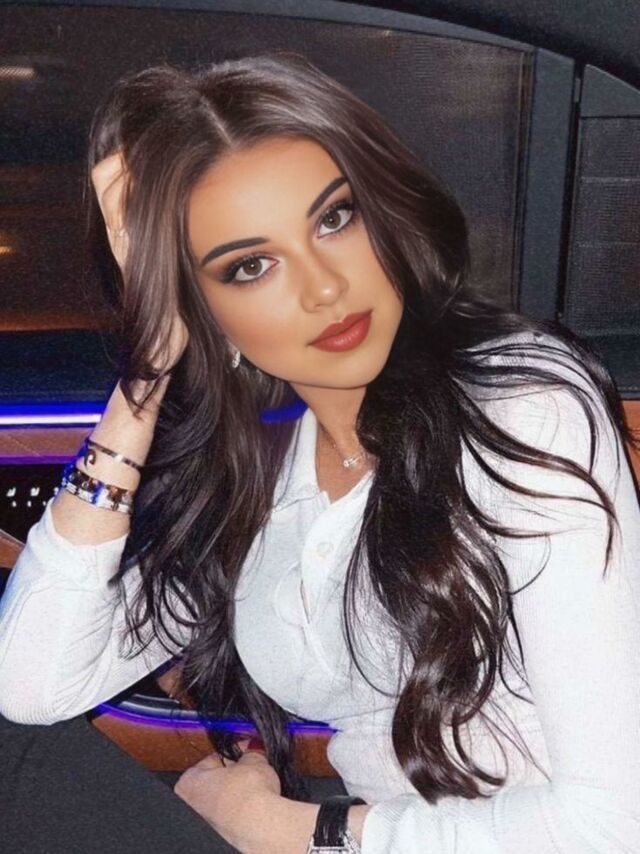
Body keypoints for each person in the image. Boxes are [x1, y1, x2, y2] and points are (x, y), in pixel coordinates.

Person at [0, 50, 639, 854]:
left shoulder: (519, 404)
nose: (325, 287)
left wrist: (289, 829)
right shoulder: (260, 473)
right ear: (204, 313)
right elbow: (28, 685)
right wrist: (144, 379)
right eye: (251, 266)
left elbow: (616, 824)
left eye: (334, 219)